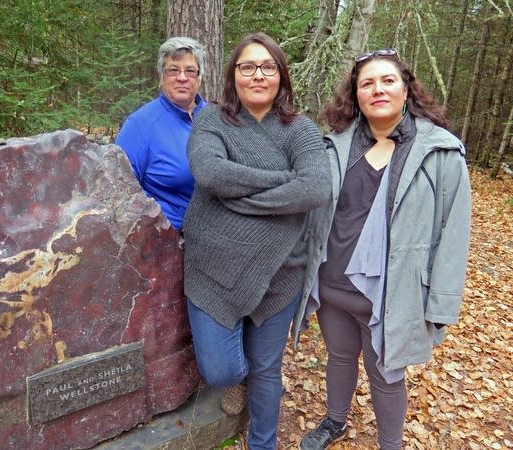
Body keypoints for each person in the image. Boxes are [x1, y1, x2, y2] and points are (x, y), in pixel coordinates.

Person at [293, 49, 472, 450]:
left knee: (387, 374)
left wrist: (440, 305)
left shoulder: (440, 152)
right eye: (367, 83)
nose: (378, 89)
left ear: (406, 89)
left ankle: (391, 444)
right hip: (333, 287)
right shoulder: (333, 147)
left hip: (393, 294)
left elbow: (453, 234)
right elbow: (314, 217)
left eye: (388, 80)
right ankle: (335, 422)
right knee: (339, 359)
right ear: (355, 95)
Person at [182, 32, 331, 450]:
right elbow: (209, 174)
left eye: (268, 66)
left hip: (281, 273)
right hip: (214, 268)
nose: (258, 75)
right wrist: (286, 184)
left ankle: (262, 443)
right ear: (234, 75)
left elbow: (316, 188)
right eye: (247, 66)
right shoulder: (212, 119)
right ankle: (236, 382)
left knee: (267, 369)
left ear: (281, 75)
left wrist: (238, 198)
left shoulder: (299, 129)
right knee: (222, 370)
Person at [115, 36, 207, 230]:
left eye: (190, 71)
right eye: (173, 70)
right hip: (166, 242)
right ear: (161, 76)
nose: (182, 77)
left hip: (218, 237)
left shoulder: (217, 118)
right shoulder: (140, 125)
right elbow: (119, 193)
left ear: (199, 77)